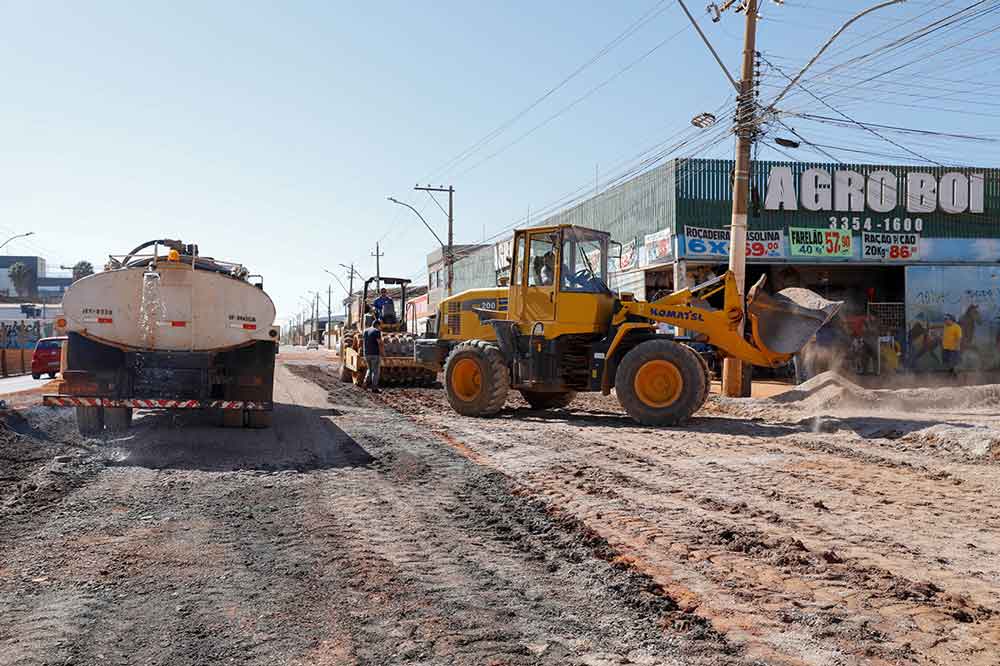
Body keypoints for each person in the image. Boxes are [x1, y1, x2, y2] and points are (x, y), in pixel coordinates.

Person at [362, 319, 384, 392]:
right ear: (377, 325)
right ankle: (374, 388)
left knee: (369, 369)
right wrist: (382, 353)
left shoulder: (365, 331)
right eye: (380, 326)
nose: (380, 327)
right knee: (376, 371)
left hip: (367, 354)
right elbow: (380, 343)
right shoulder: (376, 331)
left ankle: (365, 382)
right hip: (375, 354)